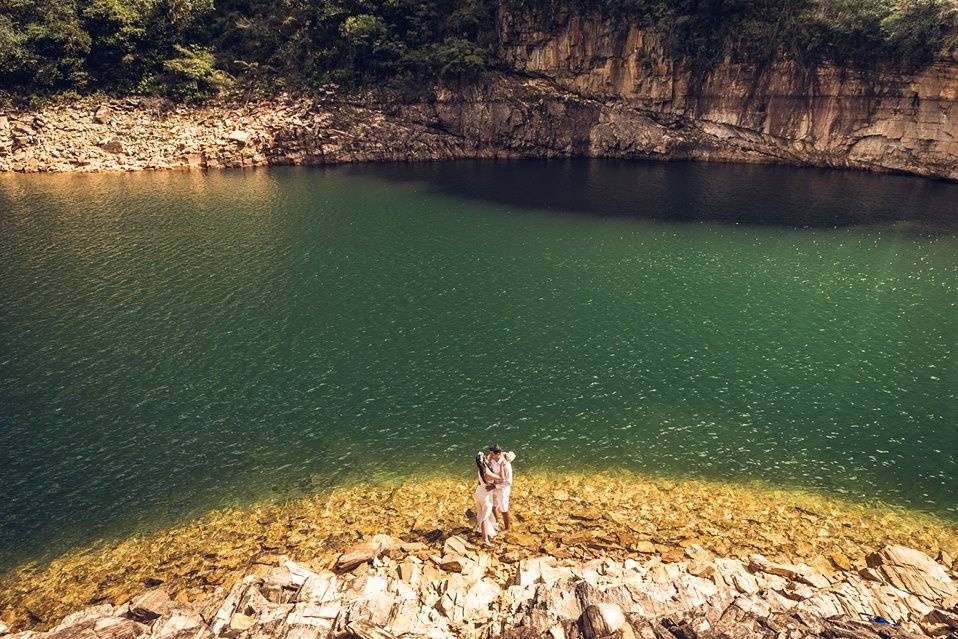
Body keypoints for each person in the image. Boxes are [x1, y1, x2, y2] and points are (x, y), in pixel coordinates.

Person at [474, 450, 502, 547]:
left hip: (478, 493)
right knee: (485, 517)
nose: (487, 458)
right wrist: (502, 466)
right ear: (483, 460)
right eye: (485, 457)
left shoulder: (480, 469)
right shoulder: (487, 472)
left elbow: (479, 482)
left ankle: (479, 529)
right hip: (485, 496)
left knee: (480, 513)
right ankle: (485, 540)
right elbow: (500, 477)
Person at [486, 444, 514, 531]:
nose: (490, 456)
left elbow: (509, 482)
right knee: (493, 507)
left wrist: (495, 486)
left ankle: (507, 529)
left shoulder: (506, 466)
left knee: (504, 510)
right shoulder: (494, 460)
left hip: (503, 490)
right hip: (494, 487)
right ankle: (496, 523)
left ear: (497, 454)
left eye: (492, 454)